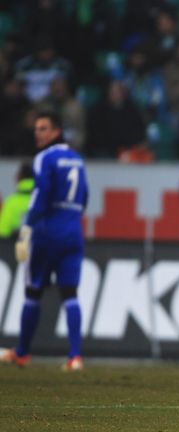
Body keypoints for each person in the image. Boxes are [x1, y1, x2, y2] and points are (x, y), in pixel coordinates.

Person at [0, 112, 89, 371]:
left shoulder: (44, 158)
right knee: (70, 293)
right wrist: (71, 219)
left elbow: (42, 193)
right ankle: (75, 357)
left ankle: (23, 353)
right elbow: (84, 196)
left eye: (44, 128)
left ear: (56, 131)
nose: (38, 133)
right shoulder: (77, 159)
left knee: (33, 291)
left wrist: (28, 228)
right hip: (73, 231)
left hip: (47, 232)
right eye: (37, 128)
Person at [0, 162, 34, 238]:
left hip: (13, 247)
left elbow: (2, 231)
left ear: (19, 177)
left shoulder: (11, 202)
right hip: (39, 248)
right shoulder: (44, 201)